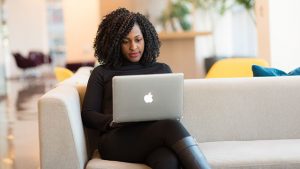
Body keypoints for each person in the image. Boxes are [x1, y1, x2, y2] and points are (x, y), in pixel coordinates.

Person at [82, 8, 211, 169]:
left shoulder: (162, 69)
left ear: (146, 39)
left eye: (138, 39)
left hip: (156, 137)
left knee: (167, 160)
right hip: (116, 141)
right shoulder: (102, 72)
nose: (133, 47)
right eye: (125, 41)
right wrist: (113, 121)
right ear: (114, 42)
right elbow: (88, 114)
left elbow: (171, 108)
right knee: (169, 126)